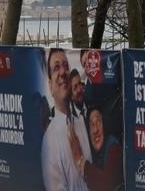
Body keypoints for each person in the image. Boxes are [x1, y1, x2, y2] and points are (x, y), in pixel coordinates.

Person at [42, 48, 92, 191]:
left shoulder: (82, 121)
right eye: (56, 67)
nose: (63, 72)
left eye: (65, 66)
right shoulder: (49, 142)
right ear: (50, 86)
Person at [67, 106, 123, 191]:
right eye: (92, 125)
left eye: (98, 122)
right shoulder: (91, 152)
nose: (95, 130)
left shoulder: (113, 147)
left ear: (105, 124)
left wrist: (80, 162)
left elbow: (107, 184)